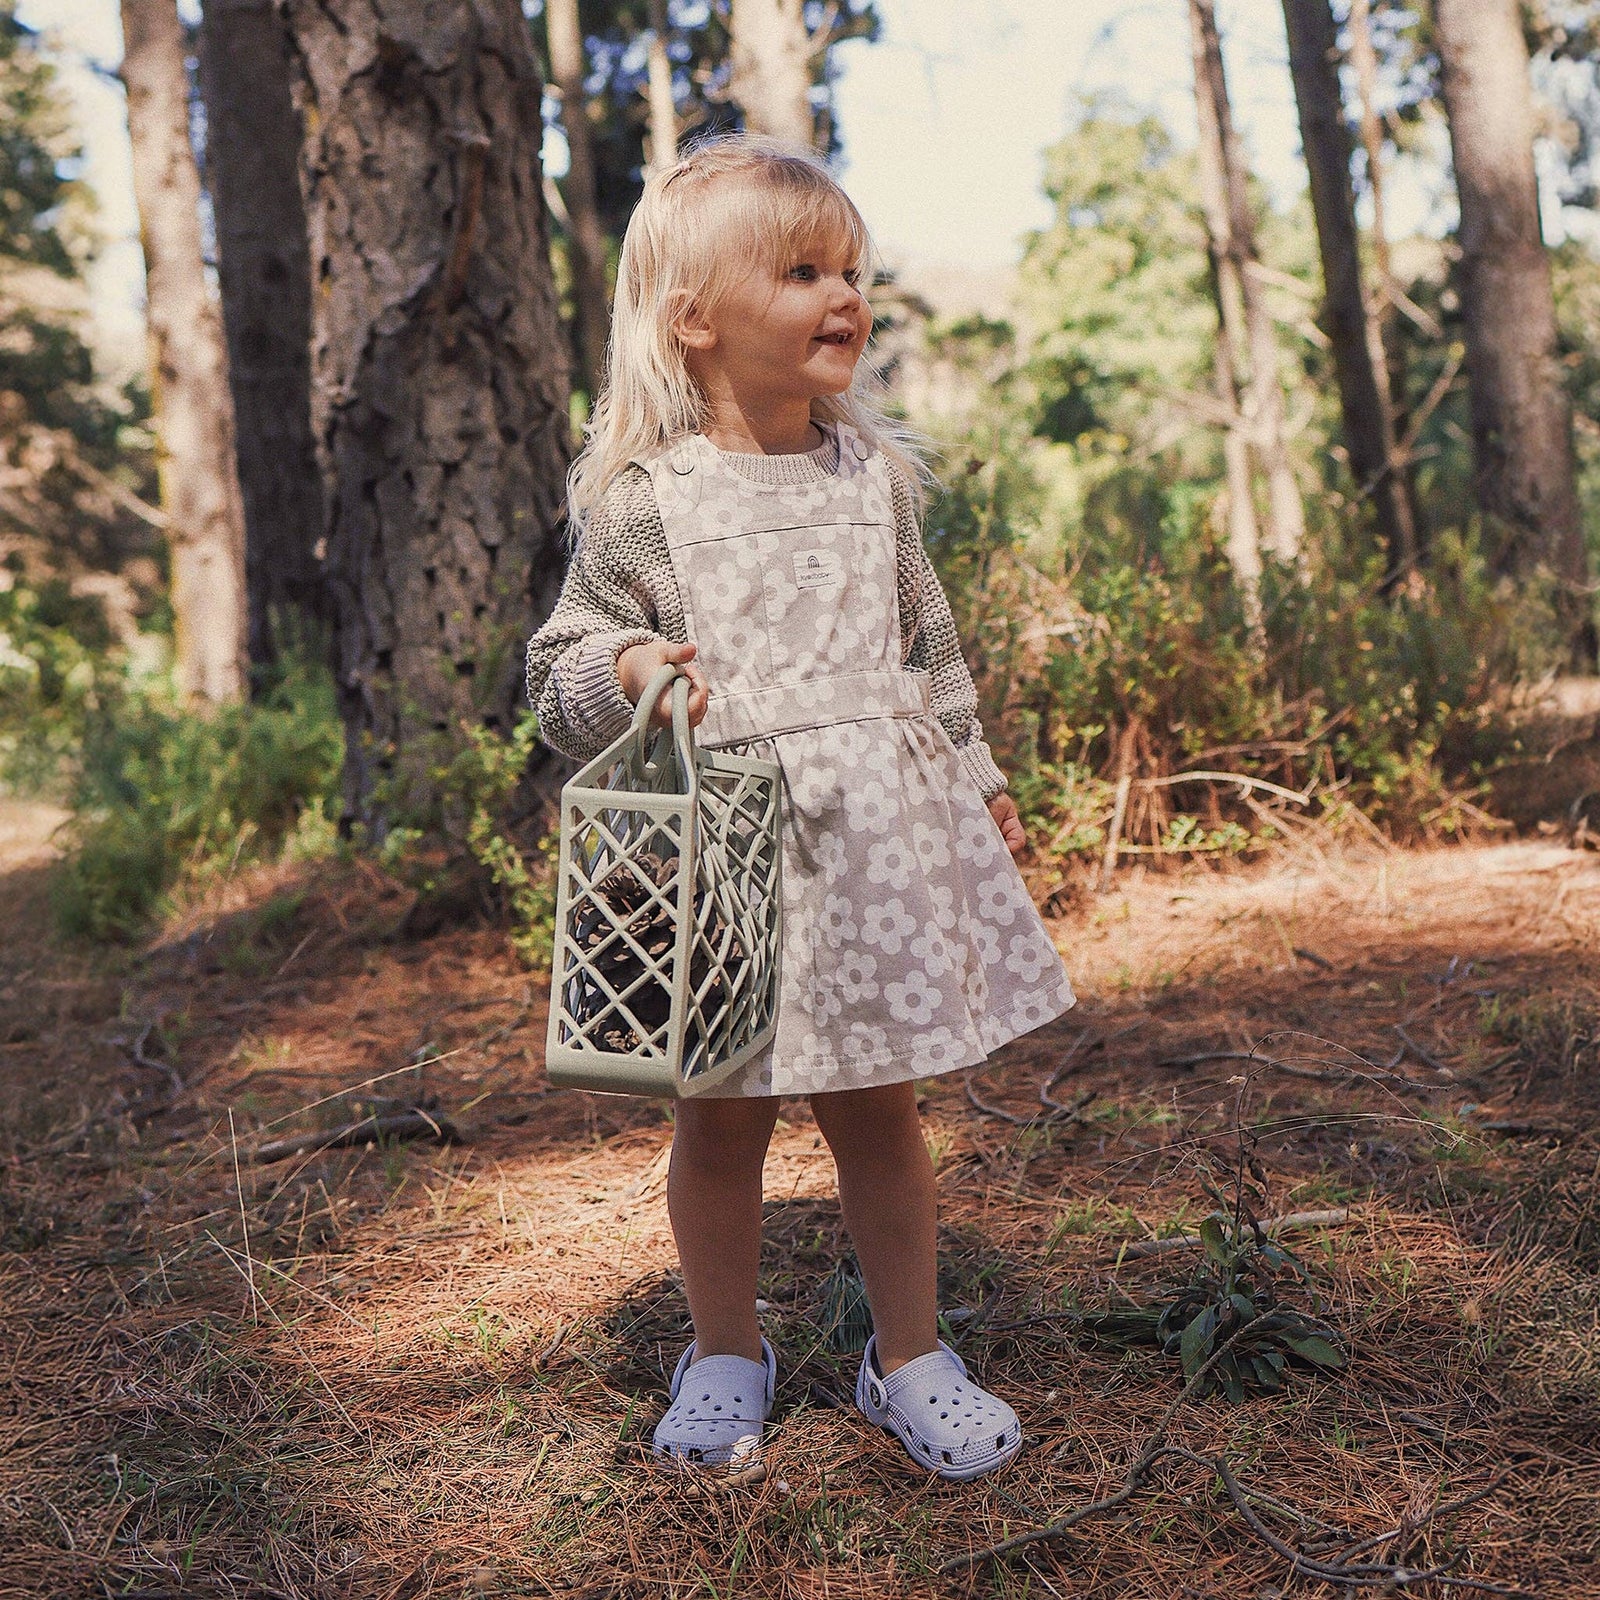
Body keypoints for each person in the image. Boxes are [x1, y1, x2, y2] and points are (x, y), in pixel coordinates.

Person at [525, 135, 1075, 1482]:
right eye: (803, 271)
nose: (846, 296)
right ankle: (725, 1352)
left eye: (852, 270)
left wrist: (983, 782)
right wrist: (633, 668)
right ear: (695, 320)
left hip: (873, 854)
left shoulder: (872, 482)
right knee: (718, 1121)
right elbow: (558, 669)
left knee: (880, 1111)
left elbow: (928, 654)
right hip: (726, 854)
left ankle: (910, 1359)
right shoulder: (652, 506)